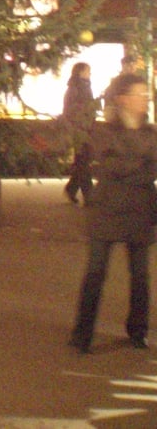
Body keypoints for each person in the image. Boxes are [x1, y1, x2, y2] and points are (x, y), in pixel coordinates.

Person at [69, 73, 157, 353]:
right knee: (96, 273)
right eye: (139, 94)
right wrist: (139, 163)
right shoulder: (104, 131)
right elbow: (108, 168)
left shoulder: (151, 132)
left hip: (140, 210)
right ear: (122, 99)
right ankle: (82, 334)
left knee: (140, 277)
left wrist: (131, 163)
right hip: (106, 211)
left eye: (147, 94)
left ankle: (138, 330)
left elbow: (151, 170)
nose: (145, 99)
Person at [61, 61, 98, 206]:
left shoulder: (84, 87)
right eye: (88, 71)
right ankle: (89, 196)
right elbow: (72, 110)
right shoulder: (76, 88)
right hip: (79, 131)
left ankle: (71, 189)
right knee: (83, 162)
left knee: (83, 161)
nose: (90, 73)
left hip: (85, 130)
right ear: (80, 72)